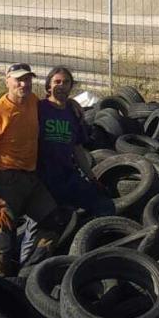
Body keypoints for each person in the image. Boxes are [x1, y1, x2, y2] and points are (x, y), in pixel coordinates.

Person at [0, 62, 60, 277]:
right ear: (7, 81)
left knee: (54, 222)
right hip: (7, 181)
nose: (24, 84)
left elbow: (53, 104)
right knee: (3, 239)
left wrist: (74, 107)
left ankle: (27, 273)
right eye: (19, 80)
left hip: (30, 178)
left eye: (28, 79)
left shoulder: (32, 101)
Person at [36, 66, 115, 217]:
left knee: (101, 204)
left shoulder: (73, 113)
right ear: (48, 86)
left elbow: (77, 149)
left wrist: (92, 177)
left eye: (65, 82)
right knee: (51, 220)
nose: (61, 86)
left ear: (71, 86)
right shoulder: (38, 108)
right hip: (43, 178)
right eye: (56, 82)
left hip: (67, 175)